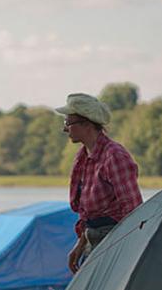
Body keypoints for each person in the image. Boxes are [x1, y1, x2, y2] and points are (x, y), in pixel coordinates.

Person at [57, 92, 143, 273]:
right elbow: (89, 214)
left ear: (87, 124)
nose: (65, 129)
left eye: (68, 123)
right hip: (93, 239)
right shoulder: (83, 157)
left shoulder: (114, 156)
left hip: (114, 240)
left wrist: (126, 252)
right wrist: (80, 244)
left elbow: (133, 210)